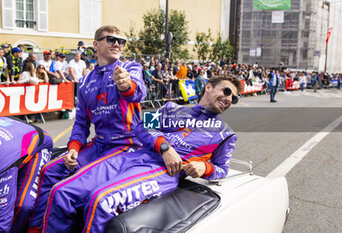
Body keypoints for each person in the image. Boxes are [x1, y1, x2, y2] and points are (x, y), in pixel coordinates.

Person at [37, 74, 242, 233]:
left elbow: (222, 169)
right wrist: (165, 147)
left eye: (234, 97)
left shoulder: (226, 134)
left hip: (162, 171)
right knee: (61, 192)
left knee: (100, 201)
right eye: (226, 91)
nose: (229, 98)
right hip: (131, 155)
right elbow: (141, 127)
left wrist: (204, 167)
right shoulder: (171, 108)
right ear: (208, 87)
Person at [28, 25, 147, 233]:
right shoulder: (84, 82)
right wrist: (73, 148)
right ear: (96, 44)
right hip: (99, 144)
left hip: (126, 146)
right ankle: (36, 228)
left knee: (62, 192)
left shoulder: (130, 68)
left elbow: (137, 92)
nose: (117, 44)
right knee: (48, 172)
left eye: (121, 41)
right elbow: (81, 123)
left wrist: (126, 85)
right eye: (110, 39)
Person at [0, 117, 53, 233]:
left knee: (23, 205)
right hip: (13, 132)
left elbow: (3, 218)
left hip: (38, 145)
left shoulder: (3, 162)